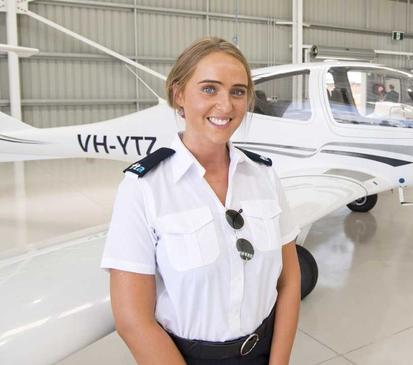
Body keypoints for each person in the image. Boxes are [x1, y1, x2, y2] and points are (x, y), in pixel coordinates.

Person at [101, 37, 301, 365]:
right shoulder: (144, 187)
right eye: (209, 89)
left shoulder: (264, 176)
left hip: (264, 350)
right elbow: (133, 321)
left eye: (238, 91)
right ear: (179, 95)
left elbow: (289, 280)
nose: (226, 106)